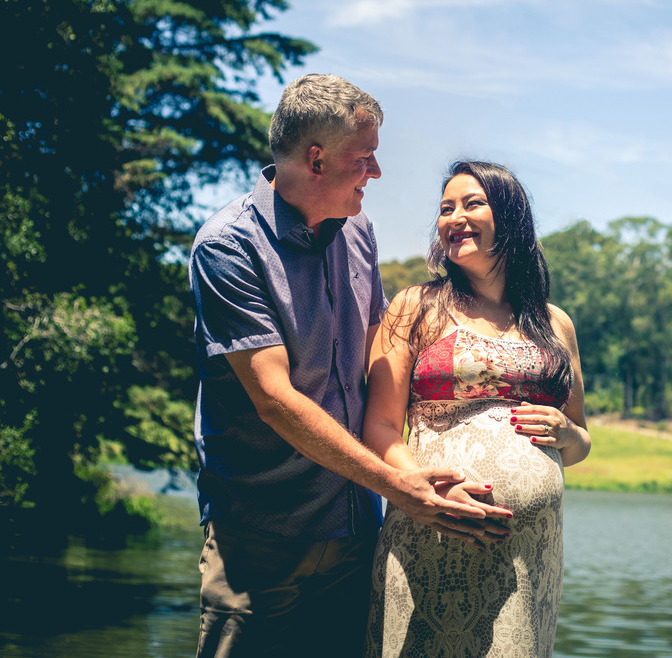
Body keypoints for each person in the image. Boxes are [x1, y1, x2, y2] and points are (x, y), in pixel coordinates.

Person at [189, 75, 512, 658]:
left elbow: (382, 358)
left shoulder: (360, 232)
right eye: (365, 158)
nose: (378, 173)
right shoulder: (227, 245)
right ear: (317, 160)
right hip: (260, 538)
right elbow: (274, 399)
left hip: (353, 529)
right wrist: (400, 487)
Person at [364, 160, 591, 658]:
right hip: (432, 534)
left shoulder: (554, 324)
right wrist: (425, 487)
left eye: (471, 204)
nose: (454, 218)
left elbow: (580, 439)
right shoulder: (415, 307)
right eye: (446, 209)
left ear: (510, 218)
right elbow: (379, 426)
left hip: (529, 557)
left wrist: (569, 435)